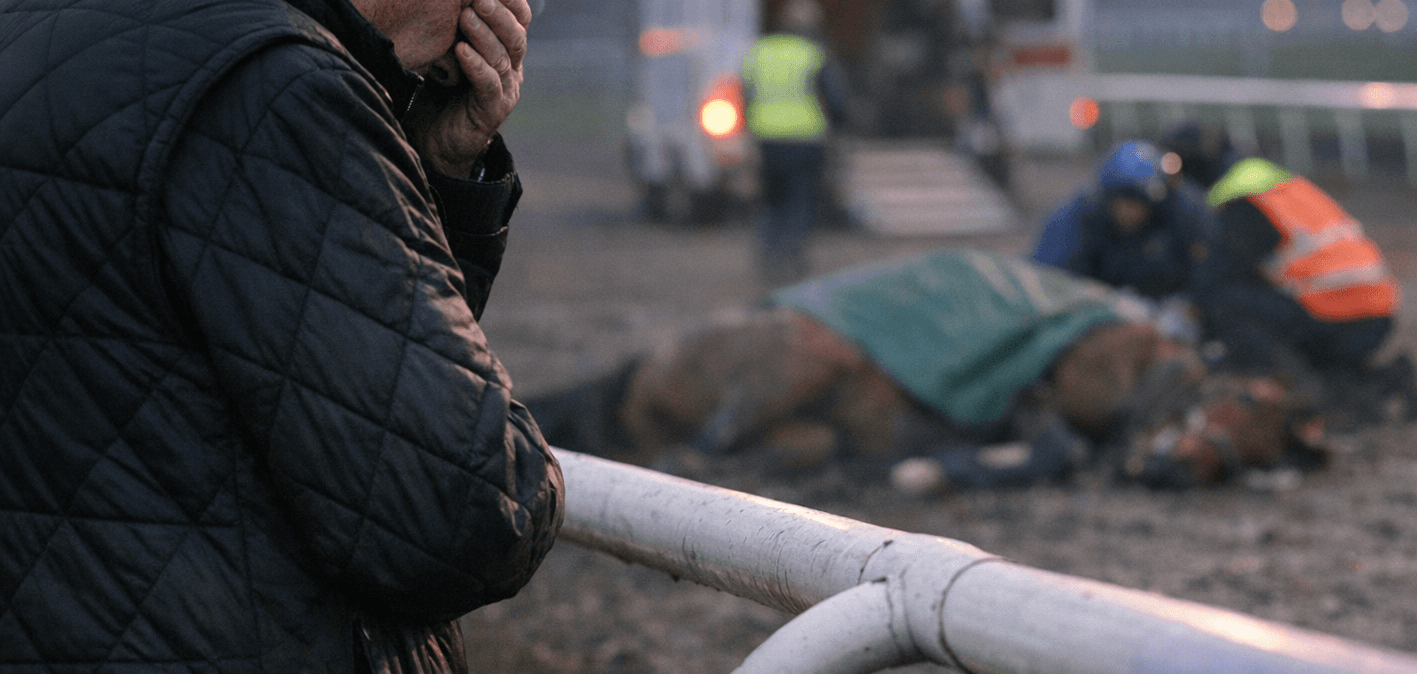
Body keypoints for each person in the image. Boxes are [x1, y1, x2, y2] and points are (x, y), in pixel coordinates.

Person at [0, 0, 563, 672]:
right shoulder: (278, 85)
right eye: (476, 1)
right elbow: (450, 506)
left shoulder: (42, 17)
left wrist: (434, 174)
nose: (466, 52)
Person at [528, 250, 1326, 493]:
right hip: (833, 337)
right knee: (813, 360)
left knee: (810, 447)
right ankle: (709, 447)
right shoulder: (1110, 339)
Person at [1193, 156, 1417, 421]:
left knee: (1229, 304)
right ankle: (1388, 379)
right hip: (1379, 310)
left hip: (1333, 312)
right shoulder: (1292, 192)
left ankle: (1301, 397)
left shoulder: (1245, 207)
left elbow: (1218, 278)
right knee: (1325, 364)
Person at [1031, 140, 1216, 303]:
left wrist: (1190, 307)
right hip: (1092, 312)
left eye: (1140, 204)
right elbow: (1047, 283)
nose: (1132, 212)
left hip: (1162, 309)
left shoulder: (1183, 212)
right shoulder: (1076, 219)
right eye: (1125, 203)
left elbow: (1209, 269)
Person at [742, 0, 847, 283]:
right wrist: (838, 128)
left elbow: (745, 93)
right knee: (799, 203)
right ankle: (792, 263)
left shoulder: (761, 50)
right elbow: (836, 101)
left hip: (767, 142)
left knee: (772, 203)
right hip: (804, 141)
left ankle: (769, 262)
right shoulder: (813, 53)